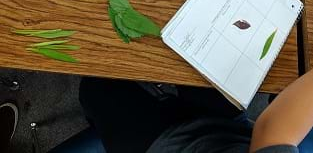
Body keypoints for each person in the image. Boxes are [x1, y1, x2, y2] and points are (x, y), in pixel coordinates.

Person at [79, 69, 313, 153]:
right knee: (194, 48)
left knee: (96, 88)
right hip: (230, 133)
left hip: (165, 144)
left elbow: (274, 130)